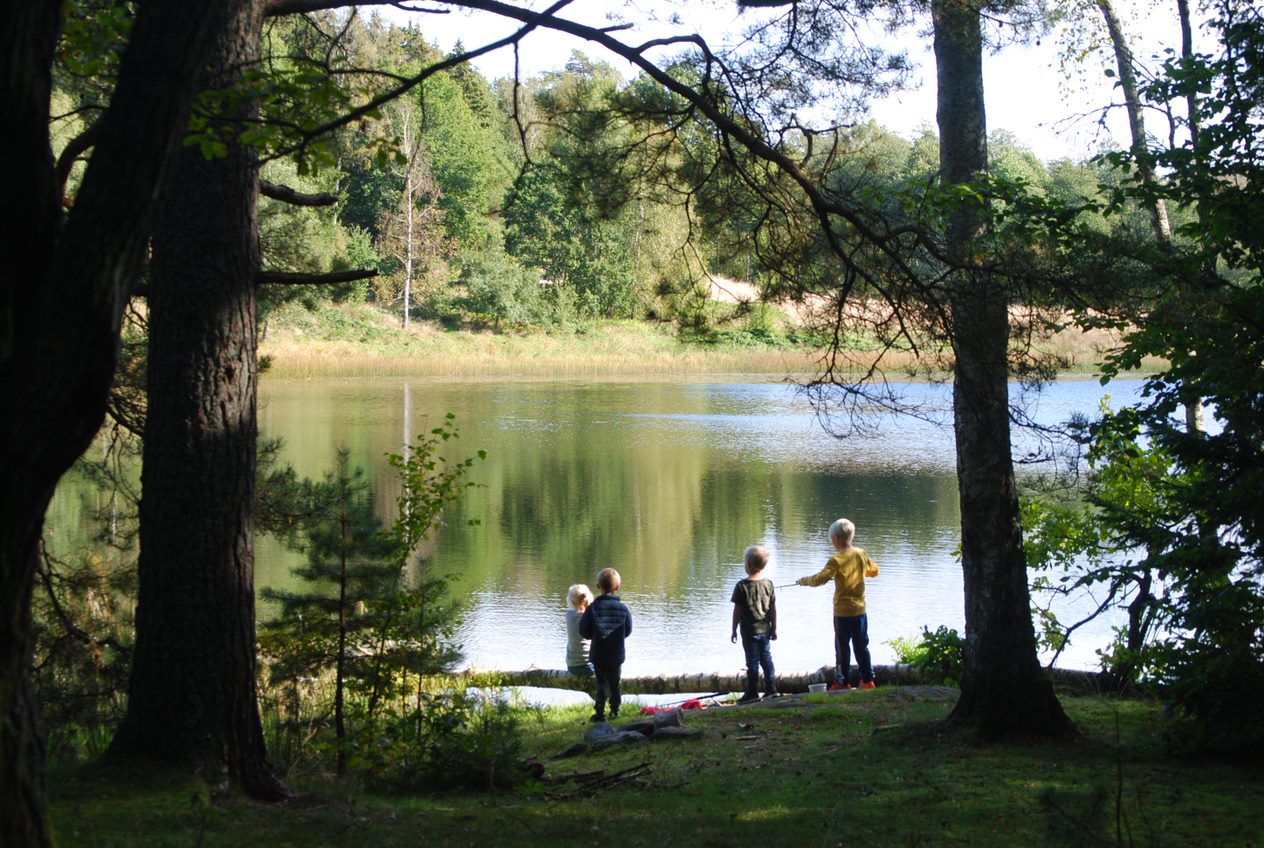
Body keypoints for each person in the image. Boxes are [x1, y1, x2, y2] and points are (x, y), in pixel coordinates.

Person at [795, 518, 880, 690]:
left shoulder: (836, 559)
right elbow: (874, 571)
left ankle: (842, 682)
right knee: (862, 646)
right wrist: (860, 572)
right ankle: (868, 680)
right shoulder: (861, 554)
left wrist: (803, 581)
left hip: (843, 613)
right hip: (860, 611)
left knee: (842, 649)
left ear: (835, 538)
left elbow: (820, 579)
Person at [578, 568, 633, 722]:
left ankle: (599, 713)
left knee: (601, 683)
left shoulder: (592, 608)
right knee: (615, 683)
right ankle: (615, 711)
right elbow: (628, 630)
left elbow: (583, 630)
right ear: (617, 587)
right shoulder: (623, 609)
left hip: (598, 653)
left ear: (598, 586)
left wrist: (593, 636)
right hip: (616, 654)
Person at [730, 545, 778, 703]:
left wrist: (733, 630)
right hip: (765, 630)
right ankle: (771, 689)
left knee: (752, 662)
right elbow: (772, 609)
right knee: (766, 659)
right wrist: (775, 628)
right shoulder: (768, 584)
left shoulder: (742, 586)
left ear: (748, 565)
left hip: (749, 631)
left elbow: (737, 611)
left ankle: (752, 693)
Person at [565, 583, 594, 678]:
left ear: (571, 602)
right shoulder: (591, 617)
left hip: (571, 666)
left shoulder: (569, 616)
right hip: (588, 666)